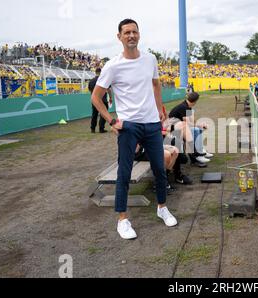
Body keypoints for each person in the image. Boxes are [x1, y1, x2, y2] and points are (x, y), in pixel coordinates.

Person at [91, 19, 177, 240]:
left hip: (152, 125)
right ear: (119, 37)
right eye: (127, 32)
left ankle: (162, 208)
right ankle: (122, 220)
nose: (131, 35)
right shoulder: (113, 65)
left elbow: (156, 84)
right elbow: (96, 97)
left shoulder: (150, 59)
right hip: (128, 127)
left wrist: (159, 109)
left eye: (134, 32)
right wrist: (112, 121)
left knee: (159, 168)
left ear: (139, 35)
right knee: (124, 173)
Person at [167, 92, 213, 167]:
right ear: (195, 101)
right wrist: (199, 125)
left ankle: (199, 151)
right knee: (195, 130)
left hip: (181, 127)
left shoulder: (187, 106)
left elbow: (190, 122)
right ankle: (196, 156)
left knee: (197, 129)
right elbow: (188, 123)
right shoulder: (184, 107)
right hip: (174, 129)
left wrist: (199, 124)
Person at [88, 68, 112, 133]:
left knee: (94, 114)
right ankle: (101, 128)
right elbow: (109, 90)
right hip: (103, 100)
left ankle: (92, 129)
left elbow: (90, 90)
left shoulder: (91, 81)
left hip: (94, 100)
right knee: (103, 114)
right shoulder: (103, 80)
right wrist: (110, 97)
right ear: (101, 72)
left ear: (95, 72)